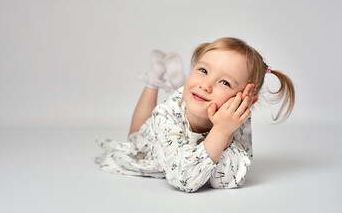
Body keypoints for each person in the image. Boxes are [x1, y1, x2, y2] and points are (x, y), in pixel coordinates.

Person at [95, 37, 295, 193]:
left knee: (194, 95)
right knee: (135, 135)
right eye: (202, 70)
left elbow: (227, 179)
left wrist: (224, 130)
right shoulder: (165, 115)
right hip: (153, 141)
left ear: (246, 100)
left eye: (224, 82)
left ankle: (176, 84)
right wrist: (221, 132)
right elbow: (183, 180)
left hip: (194, 108)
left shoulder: (235, 117)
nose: (206, 85)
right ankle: (154, 80)